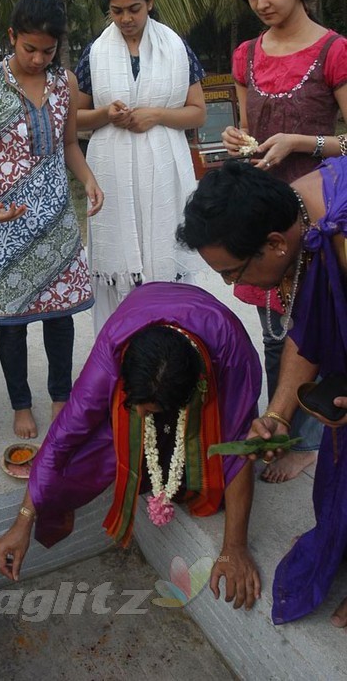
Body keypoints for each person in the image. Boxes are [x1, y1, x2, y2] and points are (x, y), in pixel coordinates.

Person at [0, 283, 262, 609]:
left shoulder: (234, 357)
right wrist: (23, 521)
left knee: (212, 480)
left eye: (148, 412)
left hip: (215, 345)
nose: (138, 415)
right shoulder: (112, 351)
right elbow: (63, 437)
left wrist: (234, 546)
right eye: (136, 406)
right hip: (140, 316)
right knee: (93, 447)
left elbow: (238, 449)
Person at [176, 157, 347, 626]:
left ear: (274, 244)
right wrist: (277, 415)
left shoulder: (337, 231)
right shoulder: (298, 213)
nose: (233, 288)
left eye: (233, 272)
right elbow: (308, 333)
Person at [222, 0, 347, 482]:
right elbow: (252, 131)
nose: (262, 4)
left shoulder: (332, 50)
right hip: (265, 216)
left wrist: (302, 142)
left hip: (320, 216)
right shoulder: (246, 54)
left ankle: (310, 439)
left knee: (318, 327)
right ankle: (282, 424)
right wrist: (237, 140)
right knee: (274, 325)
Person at [0, 0, 103, 440]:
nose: (39, 59)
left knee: (60, 316)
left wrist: (89, 179)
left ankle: (61, 395)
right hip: (4, 221)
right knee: (13, 319)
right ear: (12, 36)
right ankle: (22, 403)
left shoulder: (67, 84)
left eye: (48, 50)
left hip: (56, 219)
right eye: (29, 49)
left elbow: (66, 146)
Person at [75, 0, 207, 333]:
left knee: (166, 254)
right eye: (117, 11)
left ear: (150, 2)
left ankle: (173, 344)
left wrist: (156, 115)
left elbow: (197, 113)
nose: (126, 18)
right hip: (112, 175)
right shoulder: (95, 53)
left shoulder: (177, 48)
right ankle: (121, 350)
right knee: (119, 269)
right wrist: (105, 113)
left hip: (164, 170)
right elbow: (74, 119)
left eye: (134, 8)